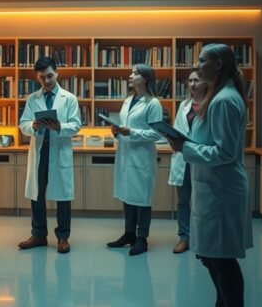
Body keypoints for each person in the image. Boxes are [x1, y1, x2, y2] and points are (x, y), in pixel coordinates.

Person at [165, 43, 253, 307]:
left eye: (202, 60)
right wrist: (185, 143)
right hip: (212, 189)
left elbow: (225, 153)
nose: (197, 65)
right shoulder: (217, 96)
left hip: (222, 192)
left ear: (217, 65)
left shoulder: (224, 101)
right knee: (212, 258)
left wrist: (185, 147)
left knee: (223, 261)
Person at [18, 56, 82, 254]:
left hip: (59, 149)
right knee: (37, 194)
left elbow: (76, 125)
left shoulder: (69, 98)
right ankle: (38, 235)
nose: (46, 81)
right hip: (40, 150)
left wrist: (59, 126)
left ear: (57, 73)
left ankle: (63, 237)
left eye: (50, 76)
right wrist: (33, 126)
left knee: (63, 195)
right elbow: (23, 124)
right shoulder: (32, 99)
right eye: (42, 78)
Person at [106, 64, 163, 256]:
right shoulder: (128, 100)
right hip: (125, 153)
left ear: (145, 79)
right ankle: (129, 234)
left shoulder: (152, 103)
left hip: (141, 158)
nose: (130, 75)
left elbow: (156, 134)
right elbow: (125, 126)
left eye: (135, 73)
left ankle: (142, 238)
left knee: (142, 199)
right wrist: (117, 132)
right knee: (127, 196)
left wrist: (131, 132)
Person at [168, 69, 208, 254]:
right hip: (184, 158)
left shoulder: (212, 105)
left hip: (202, 158)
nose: (192, 84)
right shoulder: (183, 105)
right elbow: (177, 129)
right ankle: (184, 237)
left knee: (203, 200)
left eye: (197, 80)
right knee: (183, 201)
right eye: (190, 81)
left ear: (206, 82)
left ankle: (202, 237)